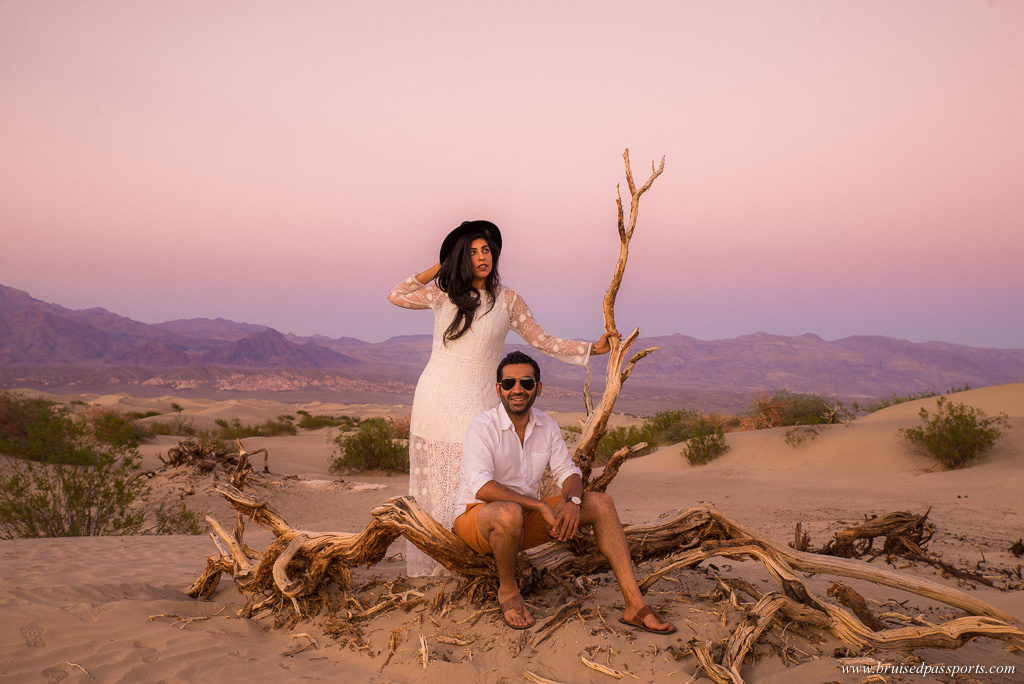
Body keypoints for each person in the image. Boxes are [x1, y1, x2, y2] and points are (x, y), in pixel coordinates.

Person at [388, 220, 617, 576]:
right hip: (435, 398)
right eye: (472, 251)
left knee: (472, 481)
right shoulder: (443, 295)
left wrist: (592, 348)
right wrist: (444, 263)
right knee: (438, 485)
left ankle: (479, 560)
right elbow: (397, 294)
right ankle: (440, 569)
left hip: (477, 400)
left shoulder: (508, 300)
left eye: (486, 250)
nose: (482, 257)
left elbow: (542, 340)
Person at [452, 351, 677, 632]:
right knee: (509, 512)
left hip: (523, 516)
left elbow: (568, 473)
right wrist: (540, 507)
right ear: (498, 389)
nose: (517, 389)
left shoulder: (547, 426)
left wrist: (572, 501)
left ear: (539, 388)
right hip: (476, 518)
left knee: (601, 503)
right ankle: (508, 590)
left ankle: (635, 604)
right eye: (509, 384)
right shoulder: (482, 427)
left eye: (526, 382)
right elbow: (482, 487)